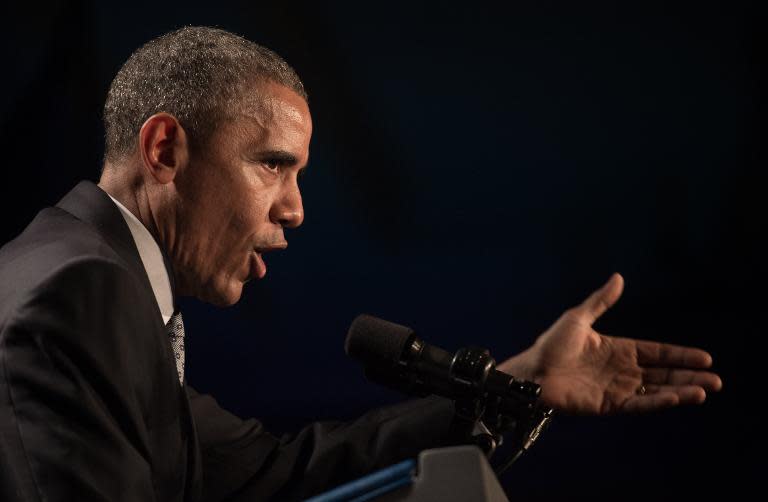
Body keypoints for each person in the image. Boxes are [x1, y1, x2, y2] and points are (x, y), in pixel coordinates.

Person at [0, 26, 722, 501]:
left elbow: (271, 473)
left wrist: (517, 383)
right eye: (273, 165)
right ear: (164, 150)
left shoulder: (93, 280)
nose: (296, 209)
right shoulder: (81, 290)